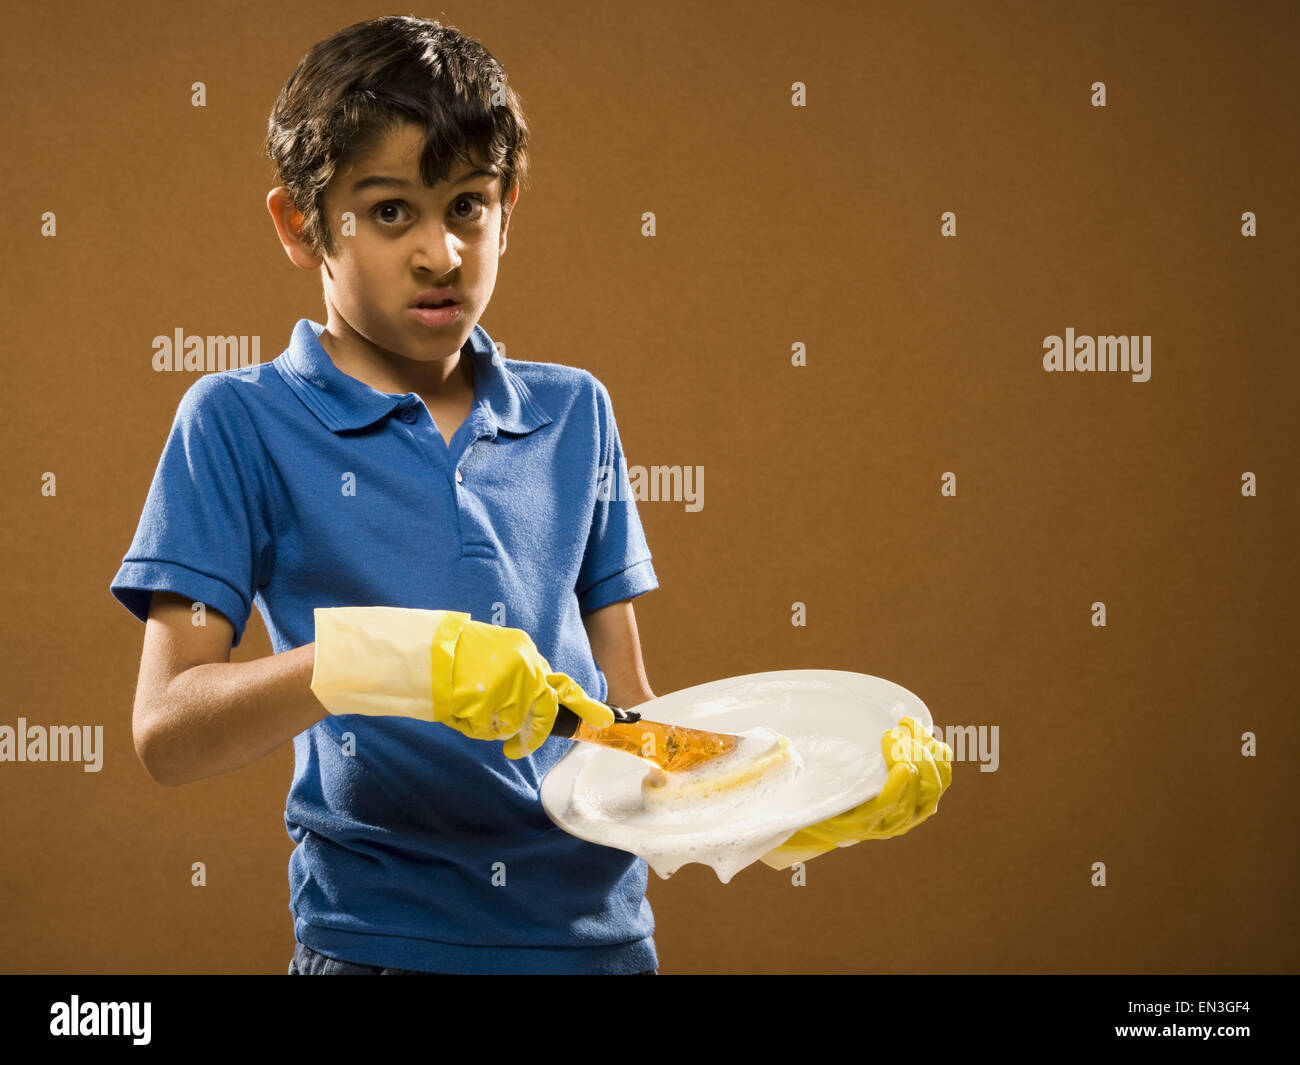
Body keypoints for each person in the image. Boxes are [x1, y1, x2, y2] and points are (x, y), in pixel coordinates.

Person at [110, 16, 662, 975]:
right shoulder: (236, 422)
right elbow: (167, 731)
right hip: (378, 948)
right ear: (303, 224)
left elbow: (631, 713)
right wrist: (375, 658)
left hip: (601, 947)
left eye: (468, 206)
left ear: (508, 207)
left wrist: (770, 793)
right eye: (391, 211)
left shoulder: (578, 413)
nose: (441, 253)